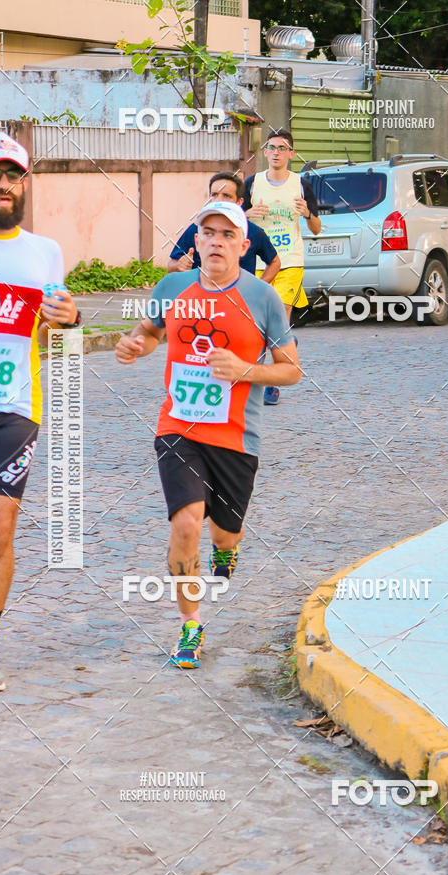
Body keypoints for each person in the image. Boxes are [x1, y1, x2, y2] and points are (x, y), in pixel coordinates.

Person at [115, 200, 300, 669]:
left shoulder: (263, 298)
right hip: (178, 427)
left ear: (243, 244)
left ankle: (226, 550)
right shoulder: (172, 287)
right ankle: (190, 624)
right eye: (208, 233)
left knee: (225, 534)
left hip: (238, 438)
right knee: (185, 523)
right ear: (196, 242)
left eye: (226, 234)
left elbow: (291, 371)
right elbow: (149, 332)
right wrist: (135, 344)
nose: (216, 241)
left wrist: (244, 370)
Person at [0, 132, 80, 692]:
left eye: (13, 176)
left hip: (15, 408)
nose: (4, 186)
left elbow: (56, 327)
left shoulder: (46, 252)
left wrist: (71, 319)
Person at [243, 128, 321, 405]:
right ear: (265, 152)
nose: (276, 152)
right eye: (272, 147)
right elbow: (236, 219)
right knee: (255, 321)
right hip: (257, 262)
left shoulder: (301, 185)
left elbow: (317, 228)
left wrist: (308, 213)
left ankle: (270, 384)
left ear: (291, 153)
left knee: (279, 313)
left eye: (282, 147)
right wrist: (247, 214)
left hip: (289, 260)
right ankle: (286, 342)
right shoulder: (252, 183)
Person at [167, 171, 281, 284]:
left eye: (226, 196)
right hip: (204, 300)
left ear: (239, 201)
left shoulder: (254, 232)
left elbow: (275, 262)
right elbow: (171, 265)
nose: (219, 200)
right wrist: (179, 265)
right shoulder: (197, 227)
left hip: (239, 300)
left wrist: (257, 288)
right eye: (215, 195)